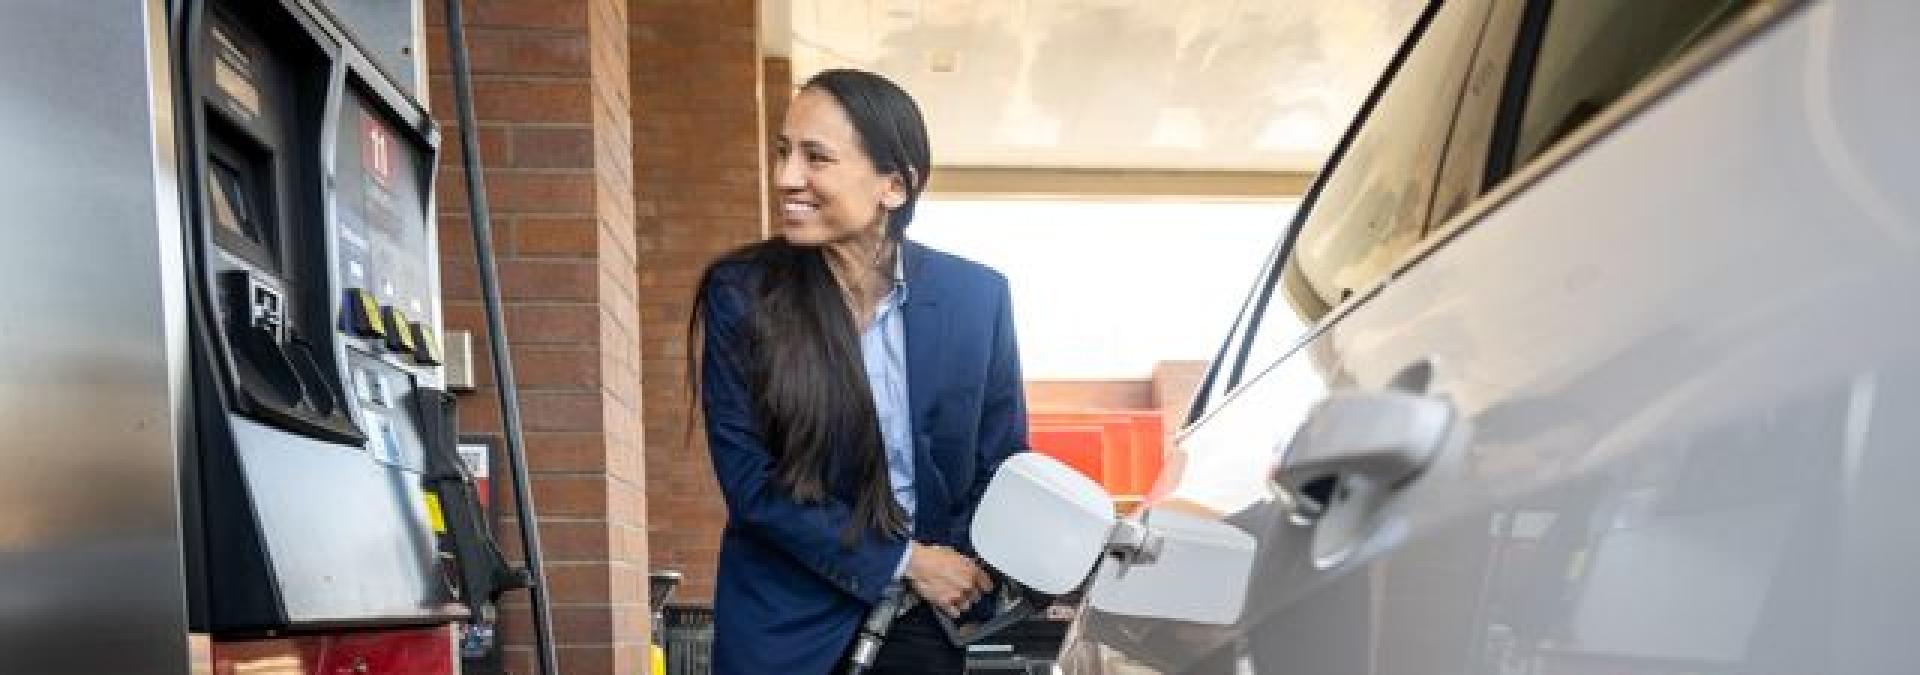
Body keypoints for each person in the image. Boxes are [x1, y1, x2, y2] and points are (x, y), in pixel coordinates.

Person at [690, 68, 1029, 675]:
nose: (785, 177)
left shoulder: (979, 299)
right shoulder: (742, 294)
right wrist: (903, 560)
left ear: (894, 186)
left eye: (815, 158)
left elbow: (1001, 465)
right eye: (783, 152)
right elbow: (750, 484)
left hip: (925, 623)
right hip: (783, 627)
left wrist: (973, 569)